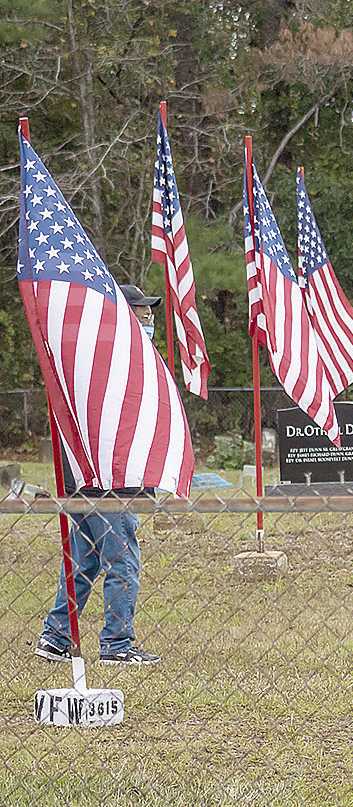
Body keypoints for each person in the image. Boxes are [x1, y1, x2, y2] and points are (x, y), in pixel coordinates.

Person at [35, 284, 163, 666]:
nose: (149, 318)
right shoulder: (113, 360)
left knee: (85, 559)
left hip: (84, 479)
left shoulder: (95, 355)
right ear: (122, 313)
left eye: (150, 313)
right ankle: (117, 644)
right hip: (106, 480)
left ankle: (56, 637)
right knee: (122, 561)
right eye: (142, 311)